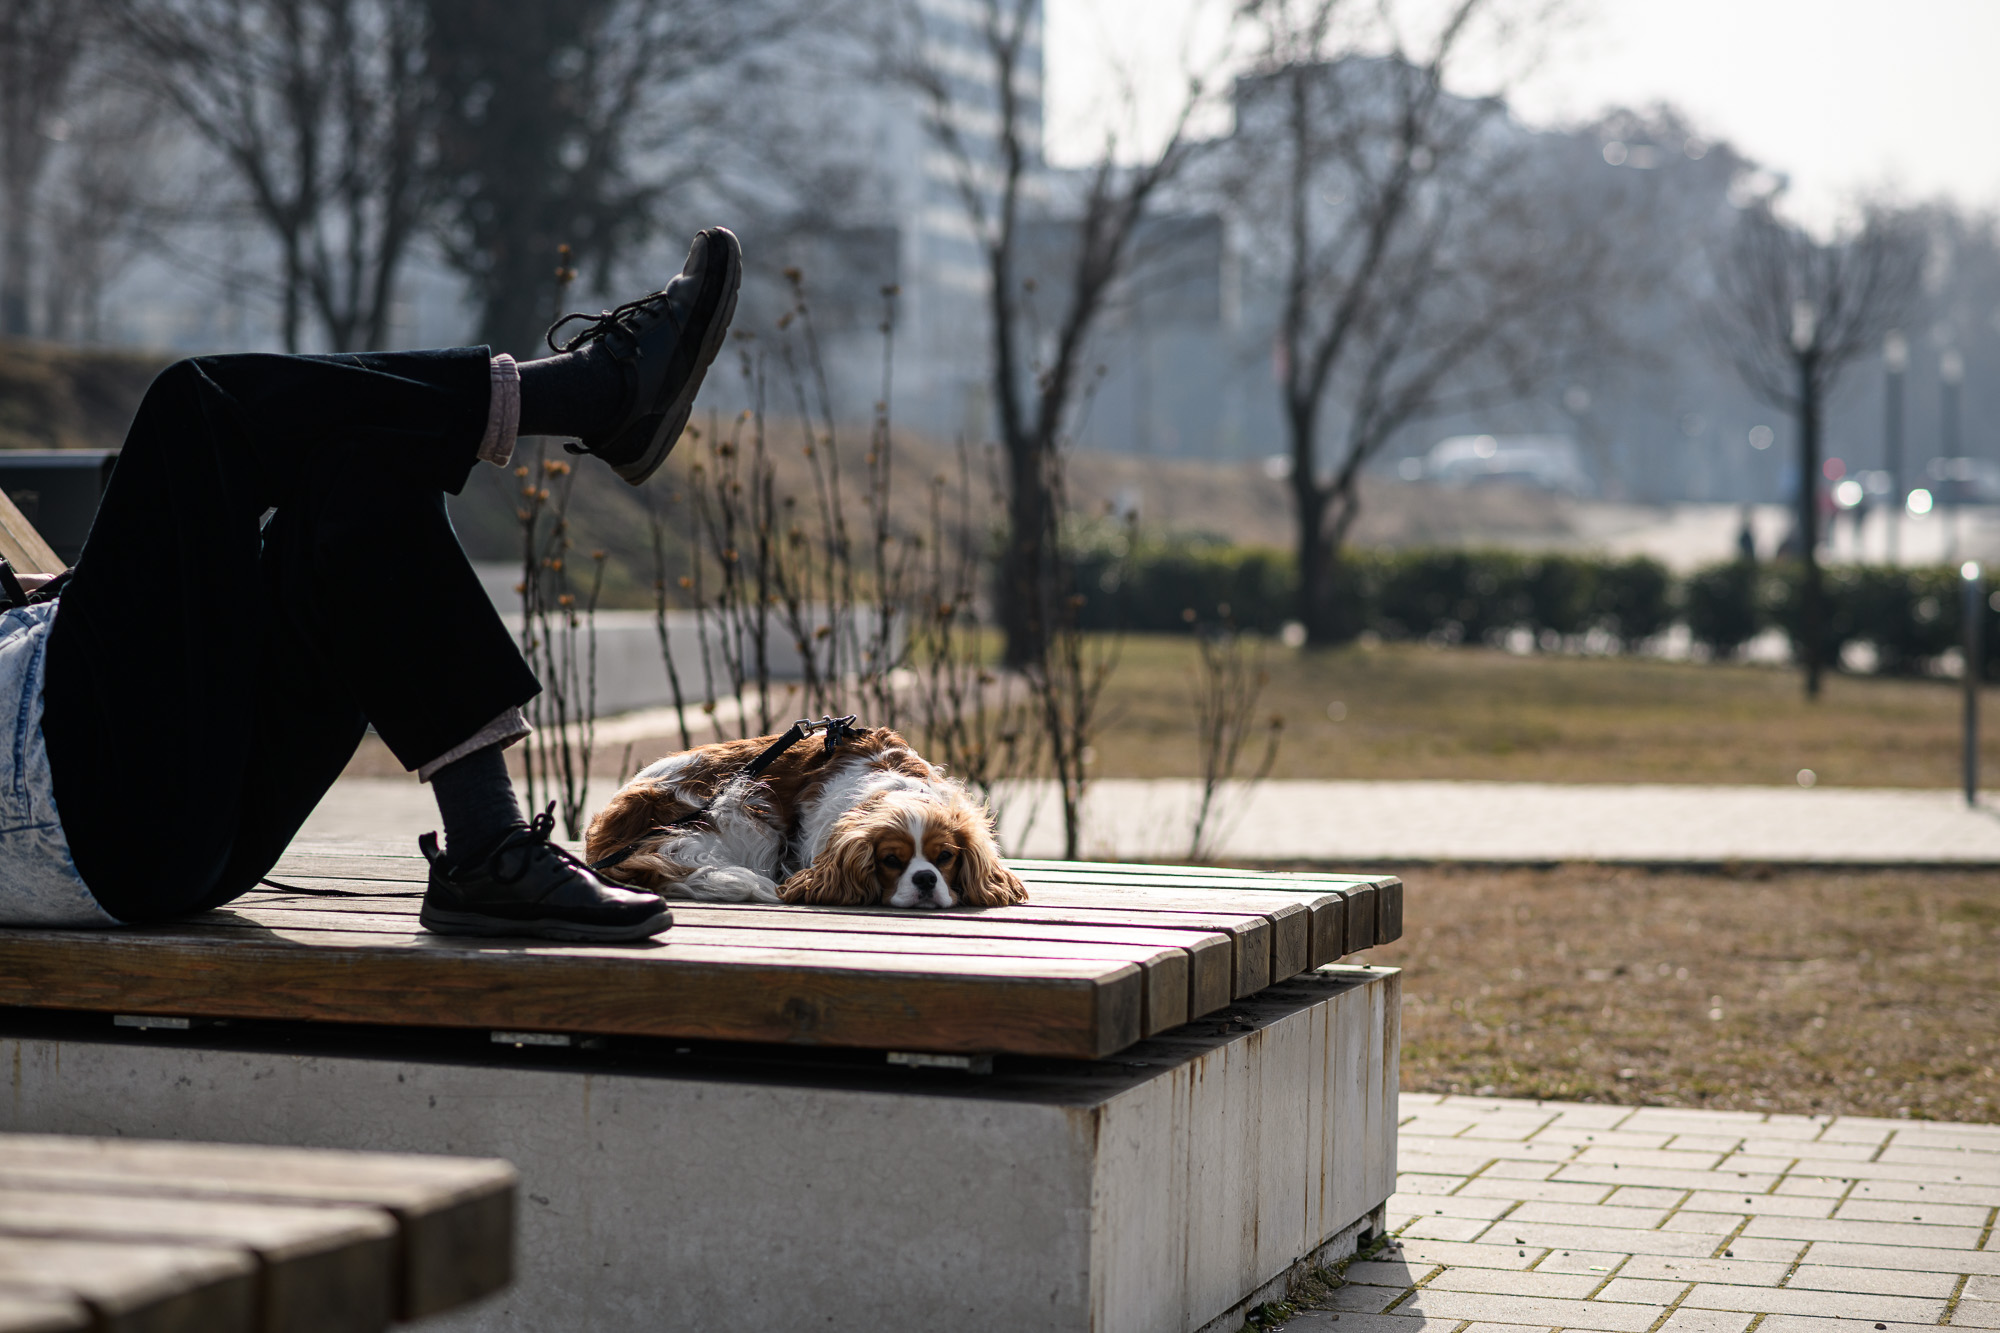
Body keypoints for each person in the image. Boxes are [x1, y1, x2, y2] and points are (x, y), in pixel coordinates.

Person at [0, 227, 743, 944]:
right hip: (78, 803)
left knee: (356, 473)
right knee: (190, 407)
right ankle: (591, 394)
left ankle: (489, 846)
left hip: (164, 831)